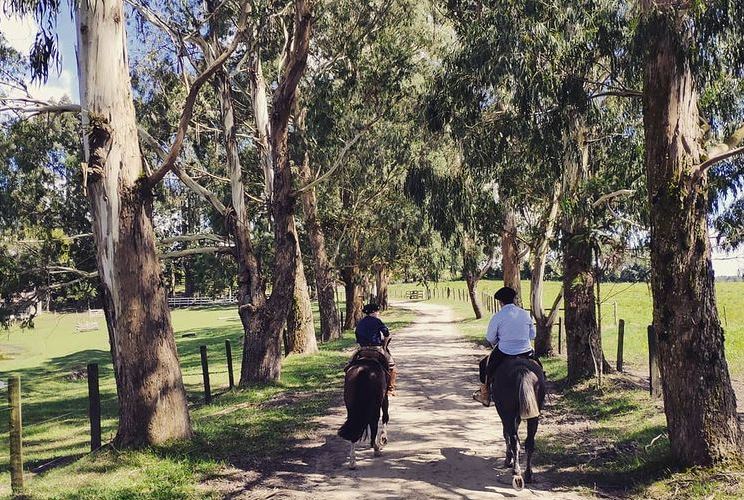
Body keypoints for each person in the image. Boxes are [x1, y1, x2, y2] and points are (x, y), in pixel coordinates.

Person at [473, 286, 539, 406]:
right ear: (514, 300)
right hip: (526, 350)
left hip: (504, 351)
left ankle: (485, 394)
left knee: (484, 365)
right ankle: (542, 387)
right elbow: (533, 335)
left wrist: (500, 339)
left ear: (500, 302)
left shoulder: (498, 316)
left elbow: (490, 338)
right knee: (539, 367)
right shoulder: (525, 314)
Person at [353, 303, 398, 395]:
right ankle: (390, 388)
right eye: (377, 311)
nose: (378, 313)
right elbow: (386, 334)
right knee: (392, 367)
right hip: (376, 350)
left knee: (349, 365)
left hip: (362, 350)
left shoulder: (360, 322)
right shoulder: (377, 321)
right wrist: (384, 346)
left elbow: (357, 336)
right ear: (373, 312)